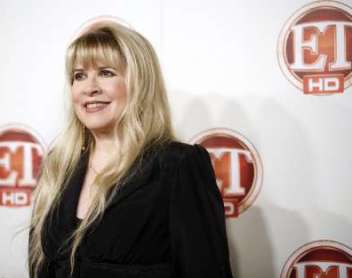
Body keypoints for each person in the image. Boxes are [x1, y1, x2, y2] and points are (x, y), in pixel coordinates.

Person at [28, 20, 233, 278]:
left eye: (106, 73)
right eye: (79, 75)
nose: (89, 88)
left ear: (139, 83)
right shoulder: (58, 165)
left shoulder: (177, 165)